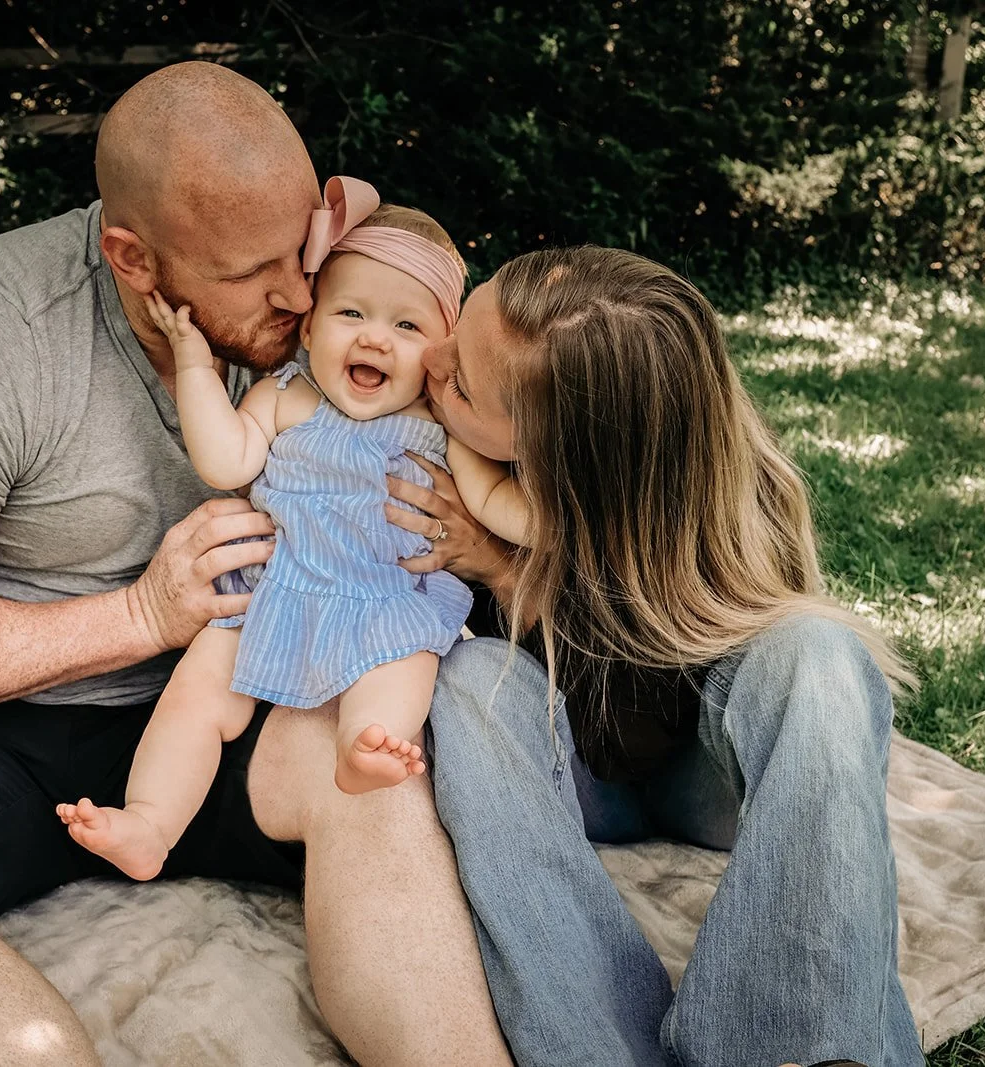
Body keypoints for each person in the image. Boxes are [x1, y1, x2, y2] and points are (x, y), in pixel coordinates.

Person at [0, 62, 511, 1067]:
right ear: (134, 260)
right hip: (0, 725)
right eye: (248, 272)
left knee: (377, 779)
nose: (298, 294)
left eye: (303, 250)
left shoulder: (337, 284)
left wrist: (479, 544)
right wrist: (143, 616)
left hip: (265, 675)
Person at [394, 245, 926, 1066]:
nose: (428, 358)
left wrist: (505, 570)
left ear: (563, 454)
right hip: (567, 768)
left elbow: (635, 718)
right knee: (467, 681)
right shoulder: (442, 451)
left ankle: (793, 1049)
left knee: (817, 651)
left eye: (459, 380)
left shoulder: (728, 494)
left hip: (699, 763)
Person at [60, 181, 531, 880]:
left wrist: (578, 509)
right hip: (271, 592)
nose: (375, 335)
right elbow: (226, 458)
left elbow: (501, 504)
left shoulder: (441, 428)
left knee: (403, 668)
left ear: (441, 351)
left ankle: (363, 748)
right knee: (195, 695)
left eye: (407, 327)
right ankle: (150, 821)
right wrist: (196, 367)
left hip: (385, 600)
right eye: (350, 312)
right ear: (309, 329)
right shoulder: (286, 394)